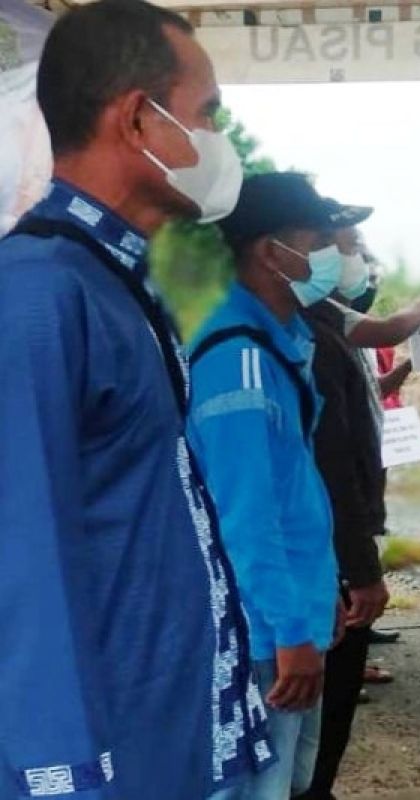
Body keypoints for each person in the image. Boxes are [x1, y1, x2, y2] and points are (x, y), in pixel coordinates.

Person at [0, 2, 273, 796]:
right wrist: (62, 775)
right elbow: (19, 555)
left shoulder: (112, 280)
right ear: (138, 120)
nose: (219, 139)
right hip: (104, 765)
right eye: (208, 113)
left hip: (164, 737)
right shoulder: (37, 294)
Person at [189, 172, 345, 800]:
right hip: (263, 629)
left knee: (287, 782)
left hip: (292, 611)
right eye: (320, 239)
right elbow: (245, 514)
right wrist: (289, 632)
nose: (336, 254)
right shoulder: (238, 357)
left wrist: (320, 591)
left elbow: (291, 490)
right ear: (271, 252)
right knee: (256, 788)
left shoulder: (281, 340)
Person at [294, 201, 391, 800]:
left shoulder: (319, 318)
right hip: (323, 549)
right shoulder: (301, 336)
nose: (354, 259)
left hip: (330, 543)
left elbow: (383, 327)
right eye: (344, 245)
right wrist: (361, 569)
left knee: (316, 722)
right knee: (317, 714)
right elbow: (331, 465)